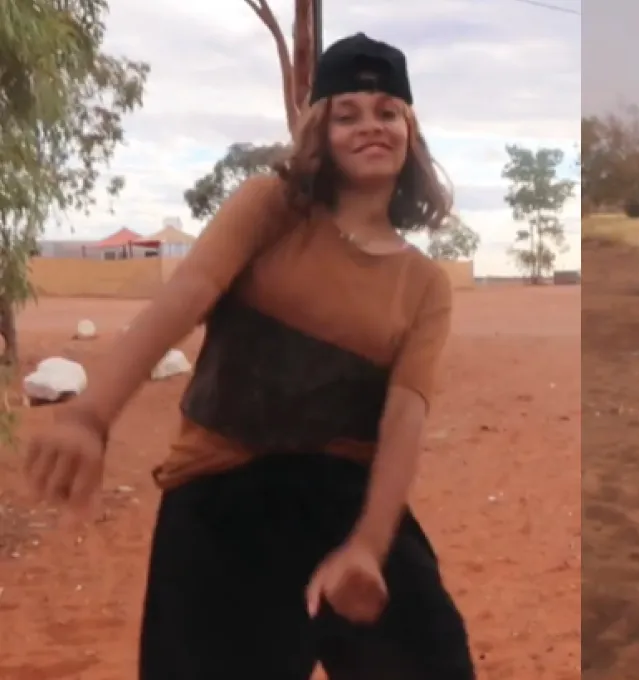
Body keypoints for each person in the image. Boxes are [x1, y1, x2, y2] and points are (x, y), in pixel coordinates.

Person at [24, 33, 477, 680]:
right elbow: (185, 296)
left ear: (411, 131)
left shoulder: (424, 285)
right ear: (319, 130)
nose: (370, 126)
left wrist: (371, 546)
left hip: (345, 499)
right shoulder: (272, 208)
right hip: (222, 492)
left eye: (387, 111)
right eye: (347, 113)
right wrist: (91, 414)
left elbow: (404, 418)